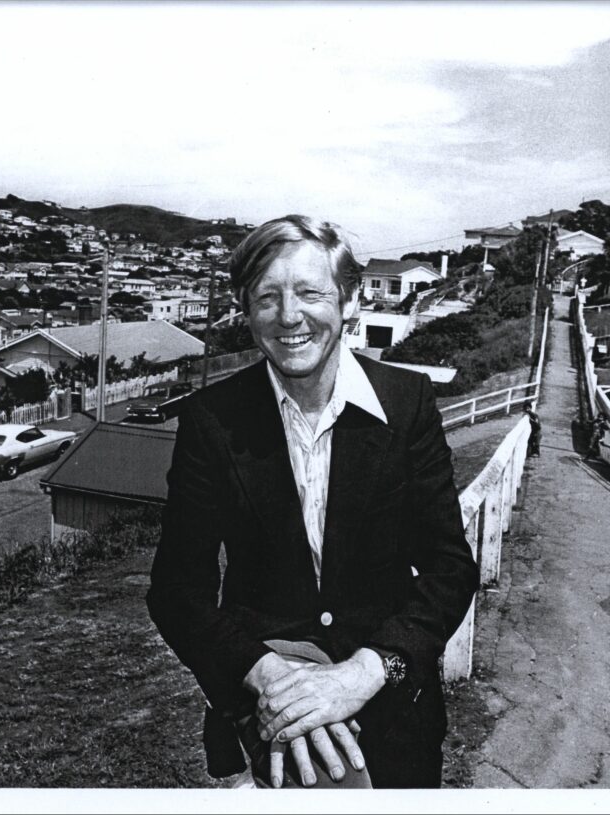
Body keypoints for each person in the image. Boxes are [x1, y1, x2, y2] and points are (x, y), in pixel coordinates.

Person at [147, 215, 479, 789]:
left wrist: (363, 672)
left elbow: (449, 568)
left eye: (309, 293)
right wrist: (271, 681)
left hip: (393, 718)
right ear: (246, 310)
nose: (289, 316)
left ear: (349, 301)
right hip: (267, 716)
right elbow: (178, 591)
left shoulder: (406, 404)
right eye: (267, 297)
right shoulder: (212, 420)